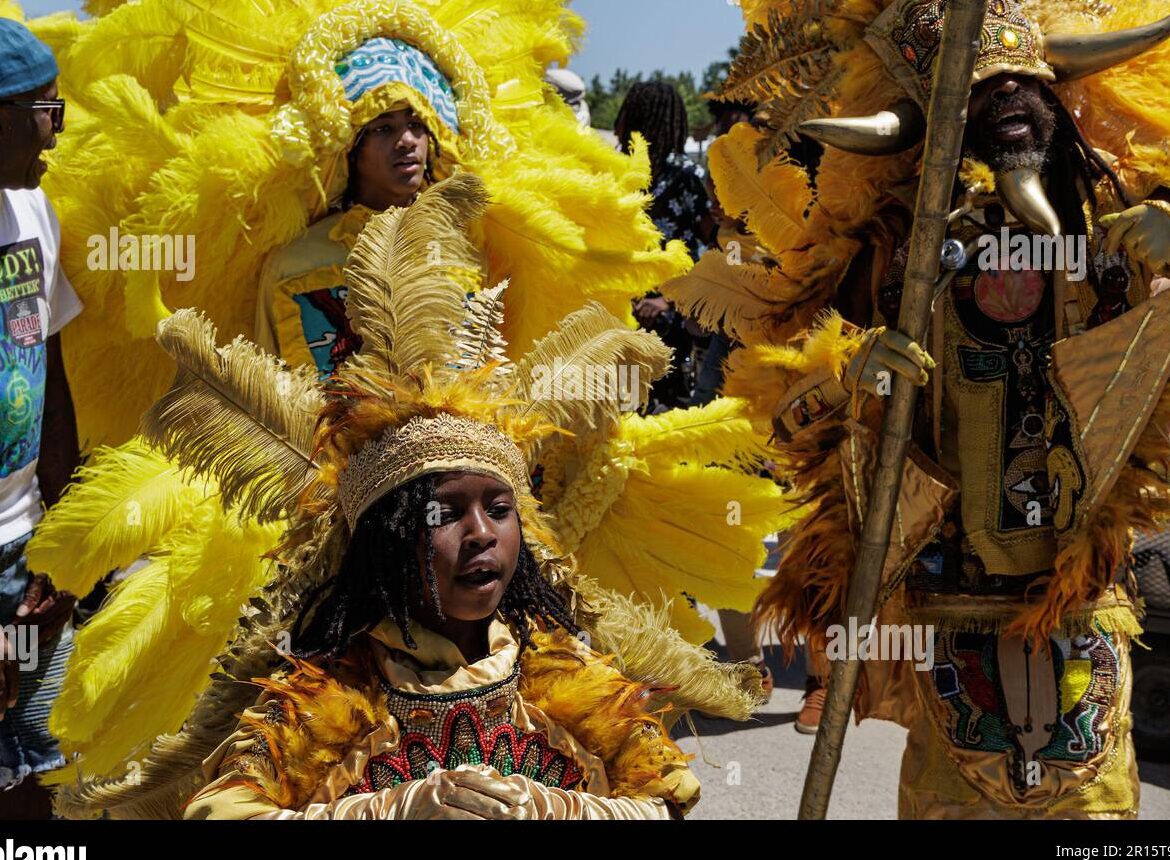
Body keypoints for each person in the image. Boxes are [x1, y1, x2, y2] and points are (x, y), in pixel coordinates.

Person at [49, 175, 781, 819]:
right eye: (445, 514)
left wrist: (556, 807)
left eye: (498, 510)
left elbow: (668, 797)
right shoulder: (333, 689)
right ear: (387, 541)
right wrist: (394, 809)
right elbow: (222, 812)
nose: (481, 535)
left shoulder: (557, 667)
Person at [671, 0, 1170, 818]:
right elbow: (788, 392)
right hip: (951, 598)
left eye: (1023, 86)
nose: (1007, 105)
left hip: (1081, 596)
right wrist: (856, 372)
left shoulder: (1116, 220)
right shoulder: (895, 245)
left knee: (1093, 815)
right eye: (980, 93)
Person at [0, 18, 81, 818]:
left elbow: (50, 375)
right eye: (46, 109)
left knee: (34, 760)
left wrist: (66, 543)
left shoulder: (33, 213)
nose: (60, 127)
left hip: (23, 554)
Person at [615, 81, 711, 411]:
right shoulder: (614, 172)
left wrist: (666, 301)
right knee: (620, 417)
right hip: (617, 323)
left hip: (670, 328)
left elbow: (711, 252)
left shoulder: (686, 175)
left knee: (665, 423)